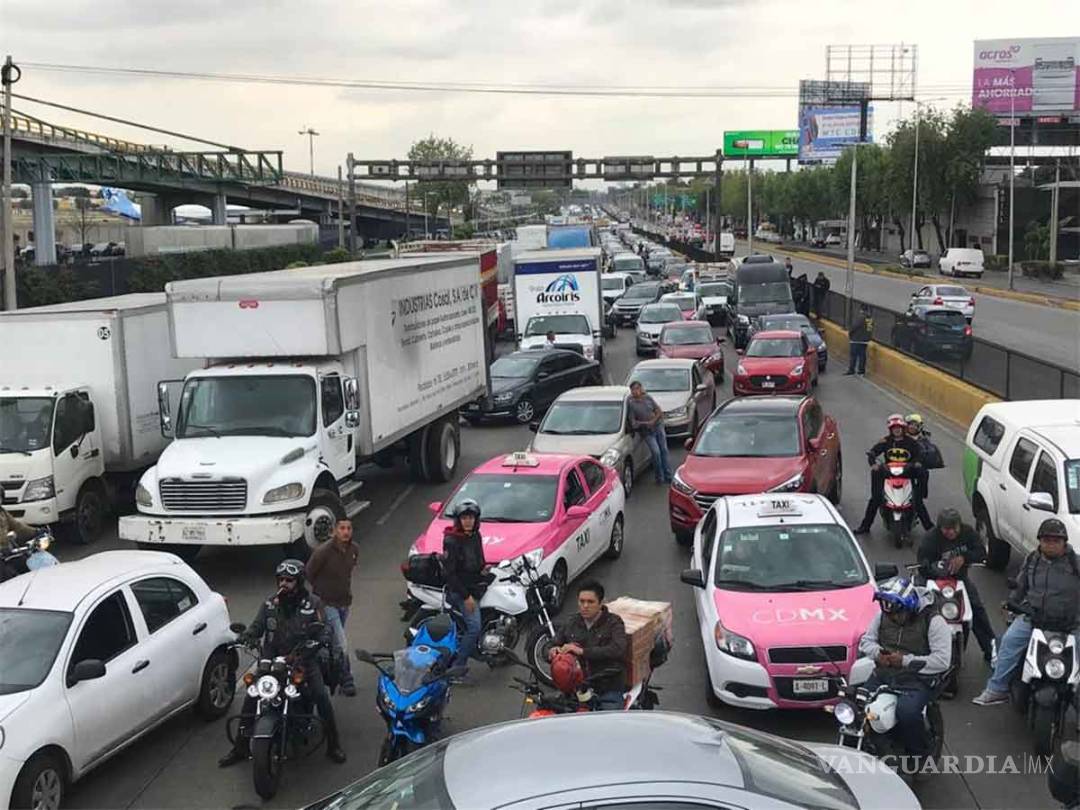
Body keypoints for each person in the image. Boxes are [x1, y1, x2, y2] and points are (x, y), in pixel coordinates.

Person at [220, 559, 346, 767]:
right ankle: (240, 747)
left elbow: (324, 628)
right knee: (252, 696)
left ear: (299, 582)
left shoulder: (313, 603)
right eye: (281, 580)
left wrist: (320, 638)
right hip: (272, 659)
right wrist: (247, 637)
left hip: (303, 658)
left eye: (289, 580)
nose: (284, 584)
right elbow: (257, 627)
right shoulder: (270, 604)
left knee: (321, 696)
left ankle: (333, 744)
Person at [973, 519, 1080, 706]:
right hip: (1034, 618)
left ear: (1064, 542)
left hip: (1071, 623)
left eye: (1056, 540)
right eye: (1046, 540)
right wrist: (1011, 603)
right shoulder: (1033, 560)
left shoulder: (1075, 562)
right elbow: (1021, 585)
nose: (1051, 544)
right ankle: (997, 689)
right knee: (1009, 642)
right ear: (1040, 541)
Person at [858, 577, 952, 759]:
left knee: (906, 712)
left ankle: (921, 755)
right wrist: (878, 654)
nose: (891, 618)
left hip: (917, 679)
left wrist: (905, 661)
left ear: (909, 608)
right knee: (857, 706)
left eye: (896, 614)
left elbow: (942, 660)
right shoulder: (882, 616)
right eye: (888, 614)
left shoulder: (934, 621)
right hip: (883, 675)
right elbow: (866, 642)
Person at [917, 508, 996, 663]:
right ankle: (919, 646)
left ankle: (990, 649)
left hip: (959, 580)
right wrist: (935, 569)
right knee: (920, 609)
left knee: (976, 609)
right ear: (940, 528)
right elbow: (922, 562)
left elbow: (981, 552)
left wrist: (964, 558)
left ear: (960, 526)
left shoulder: (968, 533)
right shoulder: (930, 538)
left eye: (954, 528)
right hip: (934, 581)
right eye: (947, 529)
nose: (951, 532)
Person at [549, 580, 628, 710]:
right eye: (581, 601)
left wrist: (583, 652)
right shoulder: (572, 622)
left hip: (607, 688)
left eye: (590, 602)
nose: (585, 606)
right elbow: (552, 644)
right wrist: (552, 650)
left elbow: (618, 649)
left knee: (610, 725)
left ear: (601, 603)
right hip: (576, 687)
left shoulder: (614, 622)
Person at [305, 517, 360, 697]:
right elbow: (309, 573)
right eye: (342, 528)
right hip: (326, 603)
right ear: (335, 531)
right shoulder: (323, 551)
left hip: (344, 603)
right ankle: (346, 679)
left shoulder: (354, 549)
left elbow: (349, 572)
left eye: (349, 528)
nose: (346, 532)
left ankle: (326, 671)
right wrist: (320, 593)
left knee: (333, 641)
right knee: (341, 642)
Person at [854, 414, 930, 534]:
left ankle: (929, 527)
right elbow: (873, 452)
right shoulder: (885, 441)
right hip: (889, 473)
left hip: (907, 473)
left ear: (903, 428)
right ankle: (865, 526)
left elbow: (920, 454)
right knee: (875, 499)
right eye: (894, 428)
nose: (897, 430)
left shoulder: (911, 442)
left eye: (899, 427)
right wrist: (873, 463)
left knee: (917, 500)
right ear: (890, 429)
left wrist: (917, 463)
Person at [442, 499, 487, 674]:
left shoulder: (475, 536)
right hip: (460, 591)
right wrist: (466, 596)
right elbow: (449, 574)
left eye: (471, 517)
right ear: (458, 520)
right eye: (464, 517)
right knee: (474, 627)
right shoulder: (452, 541)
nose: (468, 521)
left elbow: (479, 561)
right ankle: (458, 667)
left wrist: (485, 569)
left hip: (474, 585)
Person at [627, 381, 672, 484]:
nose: (637, 391)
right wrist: (645, 423)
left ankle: (668, 475)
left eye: (638, 388)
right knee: (656, 453)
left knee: (663, 450)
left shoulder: (648, 398)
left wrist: (654, 420)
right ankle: (659, 477)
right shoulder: (631, 403)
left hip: (658, 426)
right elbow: (633, 422)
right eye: (634, 389)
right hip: (647, 432)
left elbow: (658, 411)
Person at [845, 307, 873, 375]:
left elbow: (854, 327)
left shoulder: (860, 318)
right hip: (864, 340)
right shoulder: (870, 319)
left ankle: (851, 370)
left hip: (856, 340)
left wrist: (850, 333)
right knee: (862, 356)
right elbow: (870, 329)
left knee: (853, 355)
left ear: (861, 310)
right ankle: (861, 370)